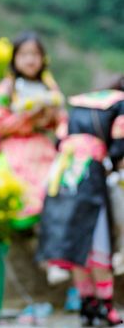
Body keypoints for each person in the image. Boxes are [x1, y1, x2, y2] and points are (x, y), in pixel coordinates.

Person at [37, 75, 124, 326]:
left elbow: (60, 140)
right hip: (93, 177)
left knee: (76, 244)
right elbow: (119, 148)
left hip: (64, 174)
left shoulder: (81, 104)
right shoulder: (120, 106)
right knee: (99, 242)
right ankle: (105, 306)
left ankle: (87, 304)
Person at [0, 31, 67, 229]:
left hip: (45, 145)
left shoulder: (49, 86)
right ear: (15, 59)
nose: (30, 60)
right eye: (24, 55)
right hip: (16, 146)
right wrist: (27, 117)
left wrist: (59, 133)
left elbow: (61, 119)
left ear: (43, 59)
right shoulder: (8, 86)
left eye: (35, 54)